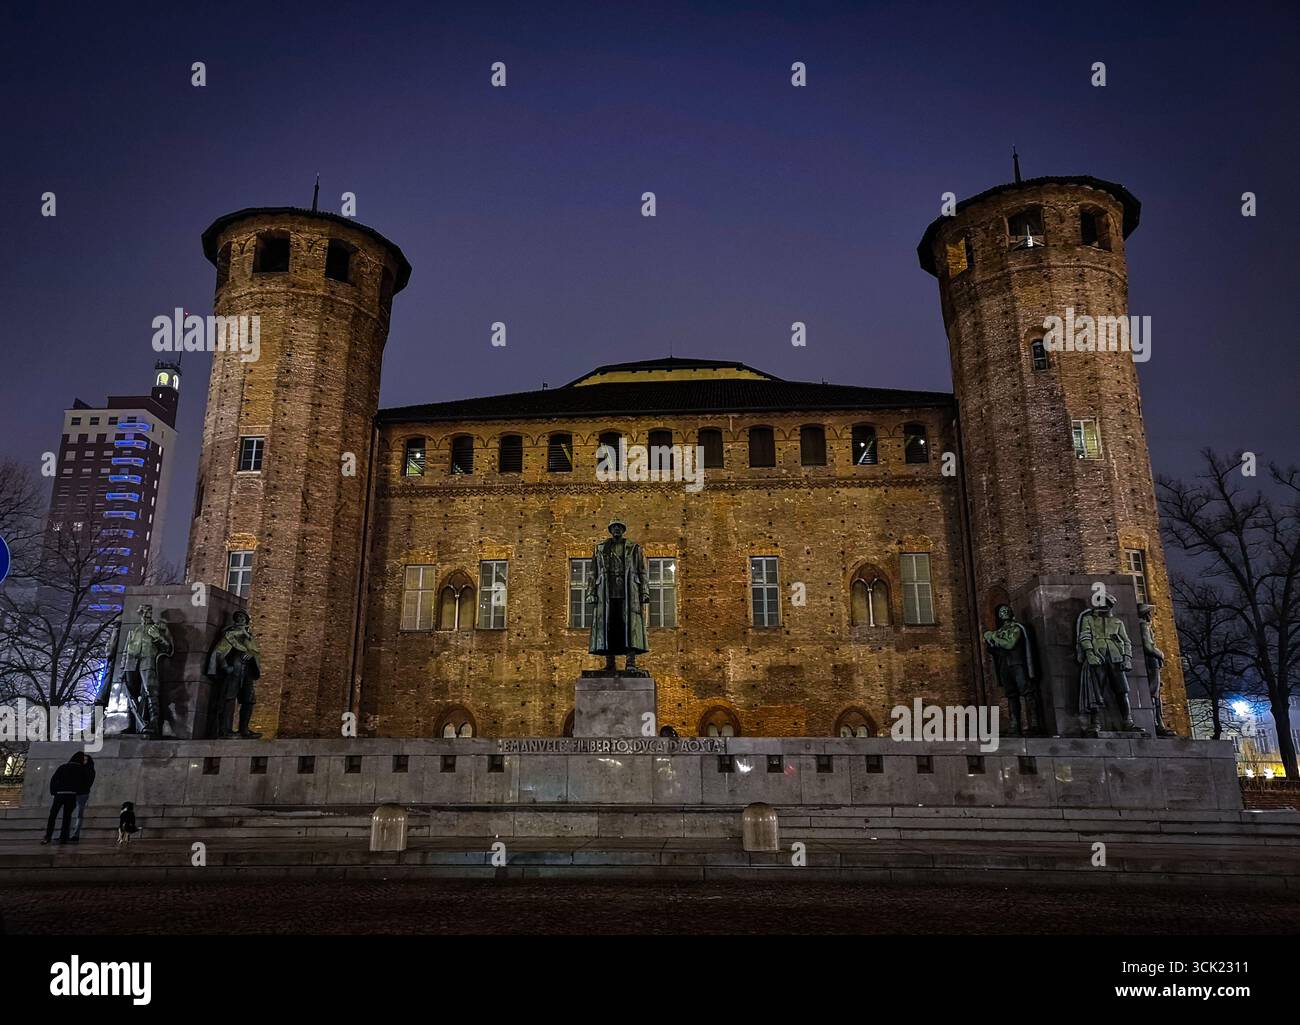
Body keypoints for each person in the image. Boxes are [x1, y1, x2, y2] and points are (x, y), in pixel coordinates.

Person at [41, 753, 87, 845]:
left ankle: (48, 836)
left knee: (53, 816)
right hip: (71, 795)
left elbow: (54, 779)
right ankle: (63, 837)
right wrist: (78, 792)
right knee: (67, 817)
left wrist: (54, 791)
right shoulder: (81, 769)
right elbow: (83, 783)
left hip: (59, 794)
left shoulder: (63, 767)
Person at [69, 752, 95, 843]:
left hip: (82, 794)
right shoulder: (79, 769)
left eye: (85, 760)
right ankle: (68, 834)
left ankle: (76, 834)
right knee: (70, 814)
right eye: (83, 759)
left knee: (79, 815)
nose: (84, 761)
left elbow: (88, 783)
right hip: (74, 793)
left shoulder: (89, 770)